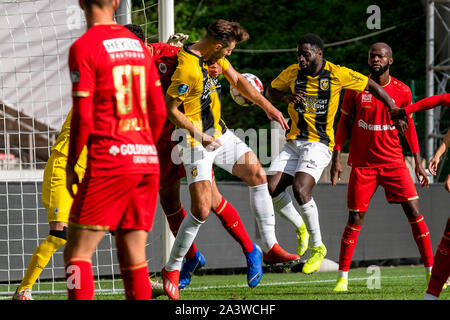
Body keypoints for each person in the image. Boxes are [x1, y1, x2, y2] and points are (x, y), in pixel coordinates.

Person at [161, 19, 299, 300]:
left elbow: (238, 80)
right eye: (228, 51)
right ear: (216, 45)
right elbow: (171, 110)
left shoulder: (214, 59)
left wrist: (269, 107)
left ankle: (268, 248)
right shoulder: (188, 67)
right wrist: (199, 136)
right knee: (201, 210)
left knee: (258, 175)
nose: (229, 56)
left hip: (219, 134)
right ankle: (172, 269)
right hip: (193, 141)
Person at [124, 24, 264, 290]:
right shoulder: (124, 71)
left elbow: (198, 60)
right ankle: (191, 257)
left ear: (142, 45)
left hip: (187, 135)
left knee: (210, 200)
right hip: (158, 142)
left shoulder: (165, 53)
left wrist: (215, 67)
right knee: (169, 203)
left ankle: (249, 249)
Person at [265, 34, 406, 274]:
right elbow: (270, 91)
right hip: (294, 142)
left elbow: (370, 84)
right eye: (298, 53)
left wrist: (392, 105)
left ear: (319, 54)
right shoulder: (292, 72)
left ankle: (318, 247)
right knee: (271, 186)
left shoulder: (337, 74)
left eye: (305, 54)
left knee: (300, 189)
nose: (300, 58)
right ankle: (300, 227)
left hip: (319, 143)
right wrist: (285, 97)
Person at [63, 0, 166, 300]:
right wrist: (144, 146)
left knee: (77, 252)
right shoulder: (137, 46)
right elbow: (158, 111)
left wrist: (72, 164)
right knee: (134, 254)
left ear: (81, 3)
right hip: (146, 160)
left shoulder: (85, 46)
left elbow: (83, 116)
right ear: (117, 2)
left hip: (110, 160)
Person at [330, 42, 434, 292]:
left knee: (414, 211)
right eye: (372, 56)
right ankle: (342, 278)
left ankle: (432, 273)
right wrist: (336, 157)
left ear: (390, 61)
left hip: (394, 162)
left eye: (381, 56)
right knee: (354, 217)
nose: (376, 59)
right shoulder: (356, 87)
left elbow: (408, 128)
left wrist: (418, 161)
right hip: (363, 165)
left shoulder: (403, 91)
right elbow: (344, 122)